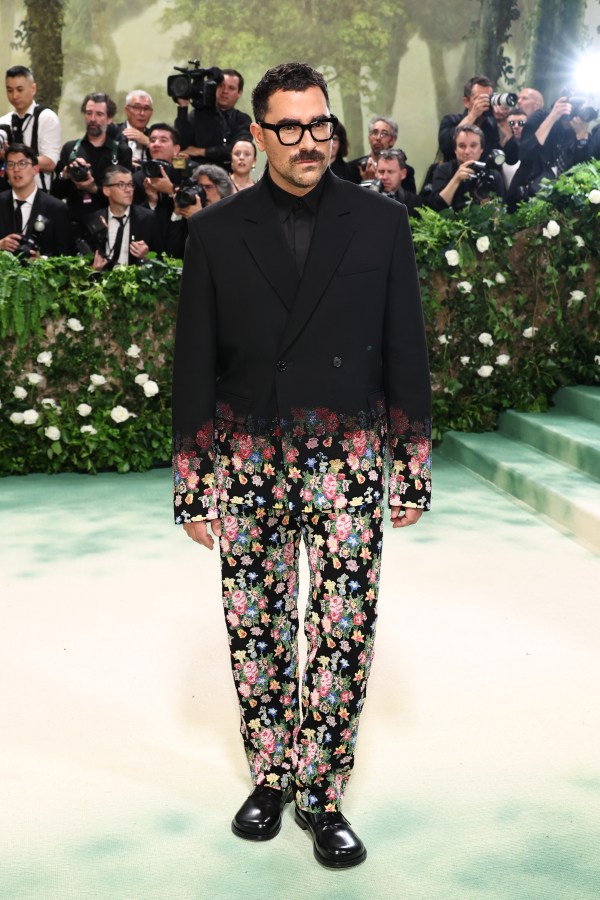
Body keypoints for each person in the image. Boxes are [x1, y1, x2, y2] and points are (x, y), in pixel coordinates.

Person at [172, 61, 431, 869]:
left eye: (320, 125)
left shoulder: (382, 223)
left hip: (347, 458)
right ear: (257, 134)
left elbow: (404, 351)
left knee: (342, 627)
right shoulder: (216, 232)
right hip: (249, 460)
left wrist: (410, 465)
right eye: (288, 127)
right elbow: (194, 364)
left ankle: (322, 791)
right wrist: (193, 484)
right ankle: (271, 774)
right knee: (256, 627)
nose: (309, 141)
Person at [52, 92, 132, 233]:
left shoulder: (121, 151)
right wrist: (64, 175)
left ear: (109, 119)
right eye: (88, 113)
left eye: (99, 114)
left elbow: (124, 195)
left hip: (109, 226)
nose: (92, 119)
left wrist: (94, 189)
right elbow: (56, 194)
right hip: (72, 223)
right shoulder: (71, 149)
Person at [0, 142, 74, 256]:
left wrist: (42, 261)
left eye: (22, 163)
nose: (16, 169)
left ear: (35, 169)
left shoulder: (56, 208)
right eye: (10, 164)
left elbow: (66, 255)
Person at [174, 68, 252, 171]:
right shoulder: (197, 115)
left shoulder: (243, 120)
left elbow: (239, 150)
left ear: (239, 93)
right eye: (221, 86)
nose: (225, 91)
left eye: (231, 88)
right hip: (197, 174)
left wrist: (201, 151)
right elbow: (180, 145)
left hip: (229, 177)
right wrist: (183, 107)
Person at [0, 65, 61, 191]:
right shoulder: (3, 121)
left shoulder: (46, 117)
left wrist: (12, 158)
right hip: (8, 194)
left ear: (33, 89)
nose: (15, 96)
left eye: (20, 90)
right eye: (10, 90)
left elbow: (50, 162)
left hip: (40, 195)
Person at [89, 165, 162, 270]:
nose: (129, 190)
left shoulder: (148, 218)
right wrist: (93, 270)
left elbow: (160, 260)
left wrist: (146, 257)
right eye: (121, 185)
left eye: (130, 185)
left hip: (136, 283)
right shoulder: (94, 220)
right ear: (107, 190)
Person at [438, 75, 518, 165]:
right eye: (480, 99)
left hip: (485, 177)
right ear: (466, 102)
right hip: (455, 175)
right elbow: (446, 146)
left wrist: (503, 123)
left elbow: (512, 159)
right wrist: (473, 115)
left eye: (489, 98)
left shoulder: (492, 126)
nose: (485, 102)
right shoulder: (451, 121)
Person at [430, 124, 505, 211]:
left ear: (481, 150)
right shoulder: (443, 170)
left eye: (473, 146)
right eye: (462, 146)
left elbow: (501, 210)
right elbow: (436, 207)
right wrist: (456, 180)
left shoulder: (493, 174)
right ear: (455, 150)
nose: (467, 151)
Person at [116, 90, 154, 164]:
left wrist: (148, 142)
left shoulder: (154, 137)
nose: (142, 113)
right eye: (137, 108)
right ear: (127, 110)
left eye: (146, 109)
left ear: (151, 113)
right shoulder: (114, 132)